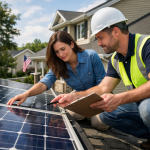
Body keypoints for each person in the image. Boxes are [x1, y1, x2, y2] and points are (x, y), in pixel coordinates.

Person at [51, 7, 150, 149]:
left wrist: (120, 98)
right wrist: (75, 96)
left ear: (115, 31)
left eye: (100, 37)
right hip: (139, 104)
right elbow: (103, 88)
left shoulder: (146, 45)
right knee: (105, 114)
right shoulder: (115, 59)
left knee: (147, 108)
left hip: (147, 105)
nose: (98, 44)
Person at [7, 31, 108, 131]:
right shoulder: (59, 65)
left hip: (98, 96)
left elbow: (103, 86)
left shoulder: (91, 56)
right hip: (78, 97)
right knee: (72, 115)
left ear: (71, 44)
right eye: (57, 51)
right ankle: (87, 112)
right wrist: (26, 94)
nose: (61, 54)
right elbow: (44, 83)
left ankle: (96, 113)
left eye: (63, 49)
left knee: (99, 124)